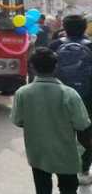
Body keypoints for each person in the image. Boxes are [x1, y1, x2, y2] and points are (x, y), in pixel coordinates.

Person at [12, 47, 91, 194]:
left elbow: (18, 120)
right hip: (66, 154)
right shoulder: (69, 94)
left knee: (42, 188)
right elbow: (82, 124)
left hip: (38, 153)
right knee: (68, 189)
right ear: (56, 66)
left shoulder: (22, 93)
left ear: (32, 67)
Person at [48, 14, 92, 184]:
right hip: (87, 98)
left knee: (62, 135)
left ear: (64, 27)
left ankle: (64, 170)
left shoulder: (55, 45)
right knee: (87, 135)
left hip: (61, 97)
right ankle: (84, 170)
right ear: (84, 28)